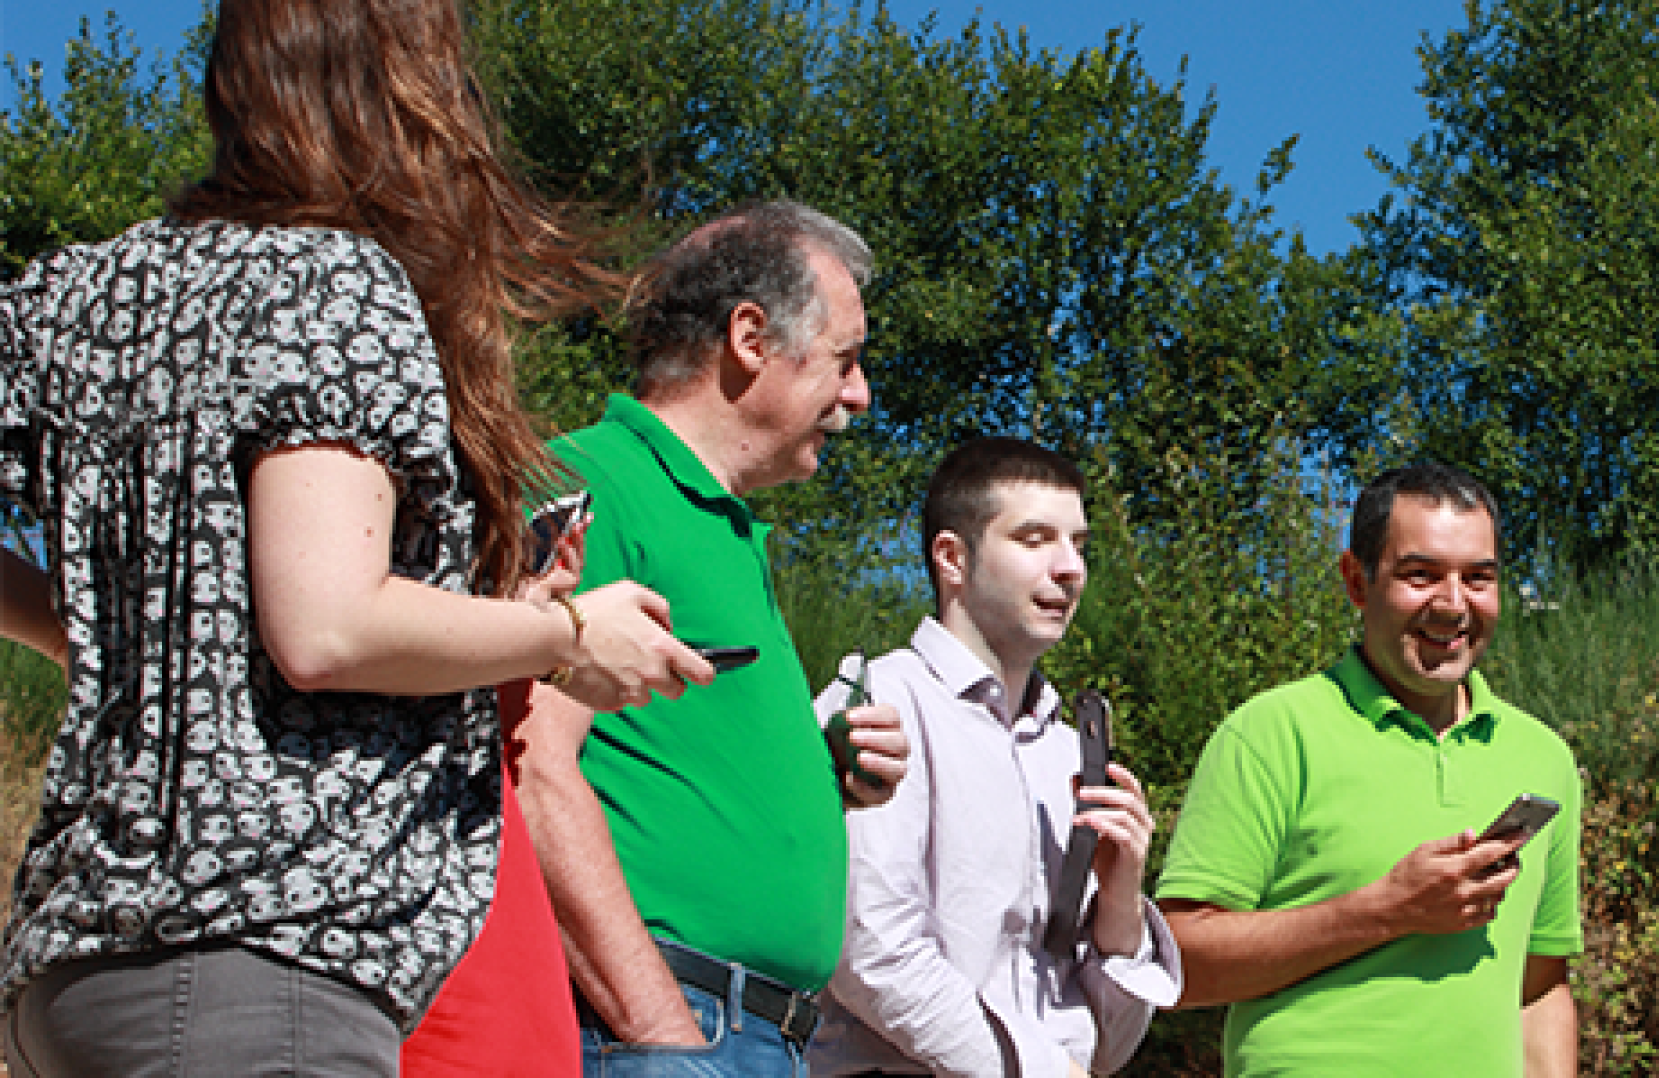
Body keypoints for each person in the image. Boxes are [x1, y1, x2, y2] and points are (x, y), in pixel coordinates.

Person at [0, 0, 706, 1071]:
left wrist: (107, 632)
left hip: (80, 962)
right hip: (259, 955)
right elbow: (327, 628)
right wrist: (567, 637)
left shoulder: (75, 292)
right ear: (406, 81)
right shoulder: (332, 281)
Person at [516, 200, 909, 1076]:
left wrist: (820, 777)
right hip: (666, 1026)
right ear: (750, 338)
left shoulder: (725, 529)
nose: (859, 395)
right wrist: (661, 1032)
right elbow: (531, 769)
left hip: (745, 1035)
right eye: (845, 359)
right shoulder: (593, 479)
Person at [1155, 463, 1582, 1077]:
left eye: (1478, 578)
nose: (1453, 604)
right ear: (1357, 581)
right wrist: (1388, 909)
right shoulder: (1271, 734)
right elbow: (1176, 967)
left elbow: (1539, 989)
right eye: (1420, 575)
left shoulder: (1543, 757)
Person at [810, 437, 1181, 1076]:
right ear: (952, 559)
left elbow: (1107, 1047)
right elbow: (869, 950)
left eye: (1079, 544)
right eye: (1035, 540)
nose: (1070, 568)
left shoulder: (1069, 749)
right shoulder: (881, 703)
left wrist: (1121, 902)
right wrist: (1035, 1070)